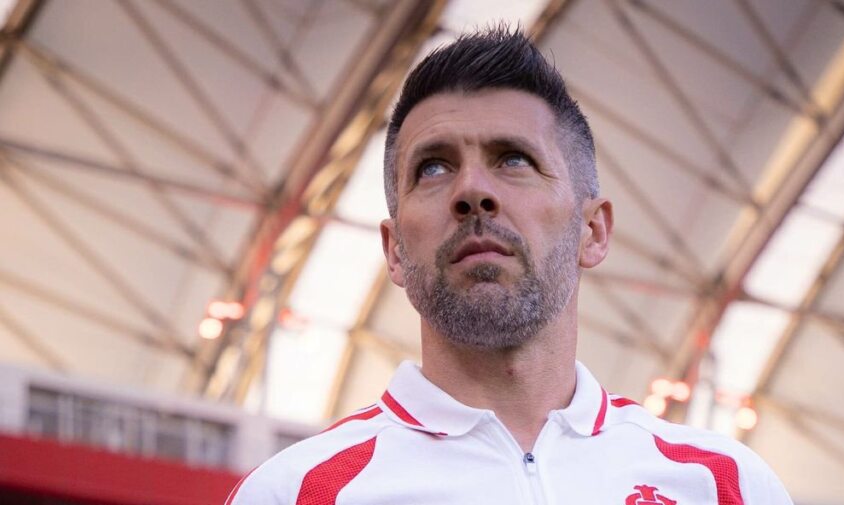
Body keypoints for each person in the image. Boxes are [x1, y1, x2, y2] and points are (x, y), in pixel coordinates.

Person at [226, 26, 792, 505]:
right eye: (433, 168)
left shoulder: (724, 485)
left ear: (593, 231)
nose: (472, 190)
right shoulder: (294, 493)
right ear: (394, 250)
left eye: (513, 159)